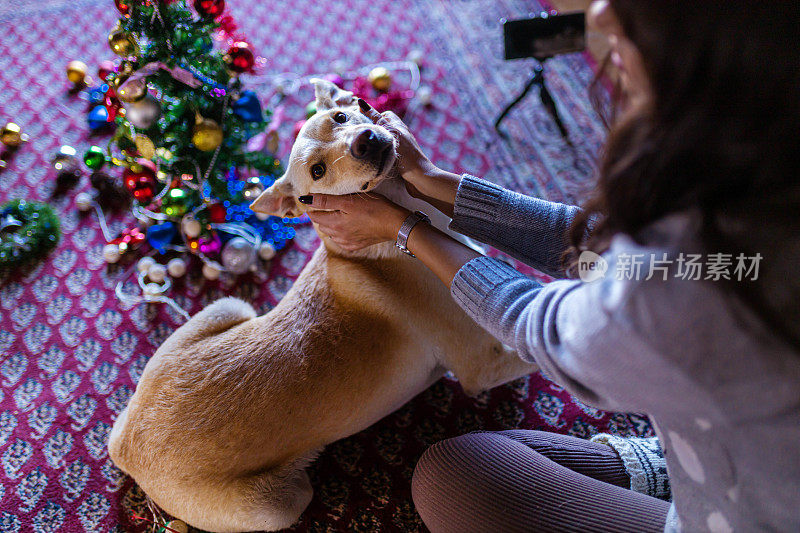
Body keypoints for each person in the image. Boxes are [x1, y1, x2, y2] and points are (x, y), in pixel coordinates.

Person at [303, 1, 800, 531]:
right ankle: (690, 460)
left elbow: (540, 326)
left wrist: (404, 230)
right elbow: (605, 257)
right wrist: (436, 183)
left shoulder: (689, 289)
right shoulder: (762, 186)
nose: (603, 15)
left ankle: (694, 483)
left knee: (453, 479)